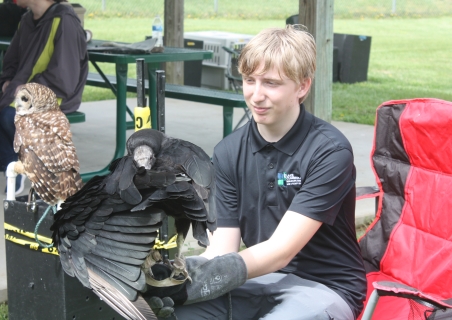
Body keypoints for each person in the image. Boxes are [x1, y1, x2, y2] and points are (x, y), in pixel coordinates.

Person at [145, 25, 367, 320]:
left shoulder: (329, 151)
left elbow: (281, 251)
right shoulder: (228, 152)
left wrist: (203, 274)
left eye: (271, 83)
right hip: (257, 280)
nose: (256, 95)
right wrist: (179, 277)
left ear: (302, 86)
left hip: (326, 287)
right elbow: (223, 250)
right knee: (162, 314)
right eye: (249, 80)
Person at [0, 0, 88, 195]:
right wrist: (7, 80)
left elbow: (64, 76)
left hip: (55, 94)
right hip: (22, 94)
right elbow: (11, 60)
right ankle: (13, 163)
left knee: (8, 117)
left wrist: (28, 89)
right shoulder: (26, 20)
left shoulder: (65, 20)